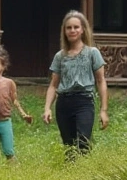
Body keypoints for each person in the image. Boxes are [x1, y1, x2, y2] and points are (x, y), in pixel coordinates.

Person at [42, 10, 109, 157]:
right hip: (64, 102)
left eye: (76, 27)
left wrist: (103, 110)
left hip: (84, 101)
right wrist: (47, 108)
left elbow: (101, 81)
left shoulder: (92, 53)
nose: (72, 30)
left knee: (83, 141)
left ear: (83, 29)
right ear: (64, 31)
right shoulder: (60, 56)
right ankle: (70, 174)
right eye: (69, 27)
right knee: (69, 145)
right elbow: (53, 85)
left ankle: (84, 174)